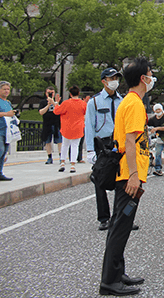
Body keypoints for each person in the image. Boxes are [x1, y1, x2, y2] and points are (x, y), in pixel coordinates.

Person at [99, 58, 153, 296]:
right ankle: (110, 281)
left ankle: (117, 272)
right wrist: (132, 175)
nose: (152, 78)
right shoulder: (133, 104)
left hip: (130, 173)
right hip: (127, 175)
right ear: (143, 78)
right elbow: (129, 141)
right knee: (121, 226)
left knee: (122, 223)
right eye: (150, 74)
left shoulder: (131, 101)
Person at [86, 68, 123, 231]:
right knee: (100, 180)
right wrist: (89, 150)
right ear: (104, 81)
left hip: (119, 142)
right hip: (102, 143)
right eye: (111, 78)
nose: (115, 81)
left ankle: (122, 217)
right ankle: (104, 218)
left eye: (116, 78)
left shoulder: (122, 100)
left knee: (123, 181)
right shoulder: (94, 102)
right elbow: (89, 126)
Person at [53, 85, 87, 174]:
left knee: (65, 145)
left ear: (70, 94)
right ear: (78, 93)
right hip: (78, 128)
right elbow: (86, 113)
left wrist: (56, 104)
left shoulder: (66, 103)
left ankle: (62, 163)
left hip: (66, 127)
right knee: (75, 146)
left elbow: (56, 111)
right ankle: (73, 165)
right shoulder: (83, 103)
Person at [147, 104, 164, 176]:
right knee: (158, 153)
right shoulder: (153, 119)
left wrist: (157, 128)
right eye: (156, 109)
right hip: (159, 138)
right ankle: (158, 169)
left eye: (159, 109)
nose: (158, 111)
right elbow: (147, 124)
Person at [39, 86, 62, 164]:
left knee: (59, 141)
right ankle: (49, 157)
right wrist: (48, 105)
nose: (50, 94)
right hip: (47, 124)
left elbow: (61, 111)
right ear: (46, 93)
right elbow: (41, 112)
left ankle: (61, 157)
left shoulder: (58, 101)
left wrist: (55, 103)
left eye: (52, 92)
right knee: (47, 141)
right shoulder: (42, 102)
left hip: (57, 124)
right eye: (49, 92)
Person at [0, 81, 17, 181]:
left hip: (7, 131)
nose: (6, 91)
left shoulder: (8, 102)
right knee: (0, 150)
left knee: (4, 152)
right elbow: (5, 113)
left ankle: (0, 172)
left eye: (8, 89)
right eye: (4, 89)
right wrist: (6, 113)